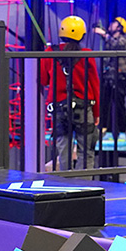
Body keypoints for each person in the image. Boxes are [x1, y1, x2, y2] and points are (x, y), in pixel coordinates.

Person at [40, 15, 100, 171]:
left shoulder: (50, 52)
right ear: (82, 35)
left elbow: (44, 80)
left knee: (64, 153)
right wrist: (96, 113)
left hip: (59, 108)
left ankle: (66, 182)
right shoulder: (87, 54)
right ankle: (84, 184)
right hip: (83, 107)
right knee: (86, 153)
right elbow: (94, 85)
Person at [93, 17, 126, 145]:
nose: (111, 24)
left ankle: (122, 132)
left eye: (114, 23)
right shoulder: (109, 38)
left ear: (119, 27)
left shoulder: (123, 39)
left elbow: (117, 44)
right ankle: (107, 131)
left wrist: (104, 34)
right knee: (106, 104)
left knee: (119, 105)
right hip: (108, 76)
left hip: (119, 75)